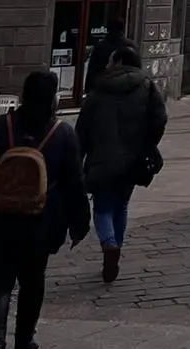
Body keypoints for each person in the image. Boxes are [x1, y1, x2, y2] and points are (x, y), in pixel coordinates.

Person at [0, 70, 89, 349]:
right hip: (41, 221)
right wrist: (79, 223)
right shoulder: (62, 133)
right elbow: (74, 184)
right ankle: (25, 339)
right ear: (53, 99)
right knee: (32, 282)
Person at [76, 44, 167, 284]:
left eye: (110, 60)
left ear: (118, 62)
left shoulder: (99, 89)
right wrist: (148, 143)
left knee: (103, 207)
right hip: (133, 158)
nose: (107, 64)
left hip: (101, 158)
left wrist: (78, 158)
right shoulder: (147, 87)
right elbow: (159, 118)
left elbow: (82, 129)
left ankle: (109, 245)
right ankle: (116, 246)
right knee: (121, 205)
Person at [83, 21, 128, 89]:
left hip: (102, 85)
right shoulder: (129, 46)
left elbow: (92, 70)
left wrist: (88, 89)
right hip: (124, 87)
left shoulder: (100, 46)